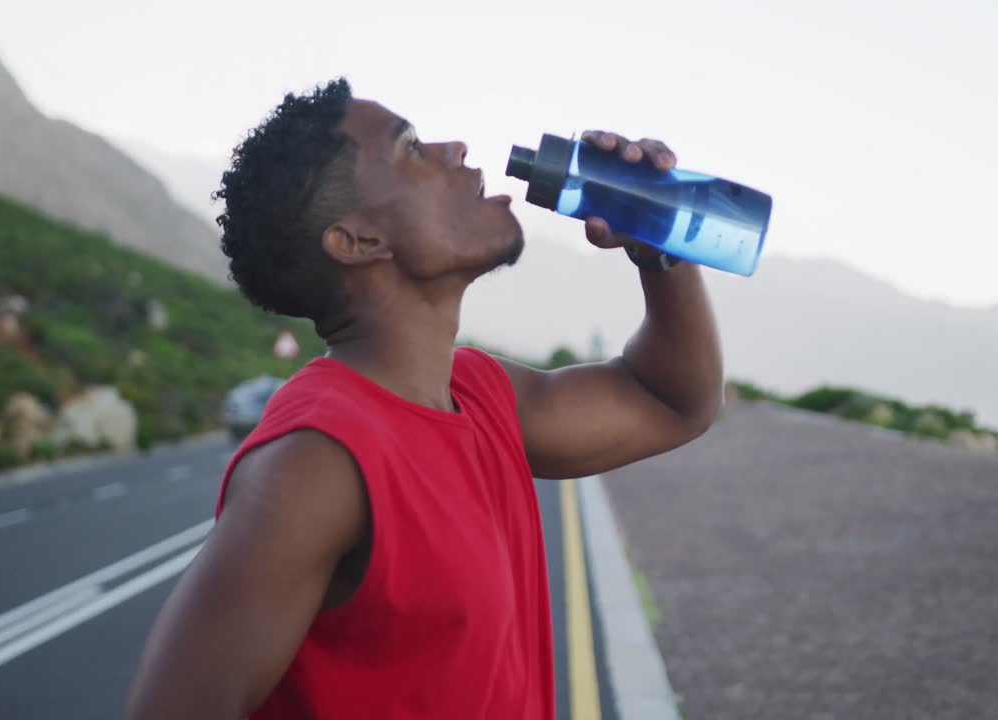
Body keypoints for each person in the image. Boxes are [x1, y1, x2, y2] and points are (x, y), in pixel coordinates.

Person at [123, 77, 723, 720]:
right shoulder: (317, 462)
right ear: (358, 241)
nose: (454, 148)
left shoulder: (480, 392)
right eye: (409, 148)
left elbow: (670, 401)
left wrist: (658, 245)